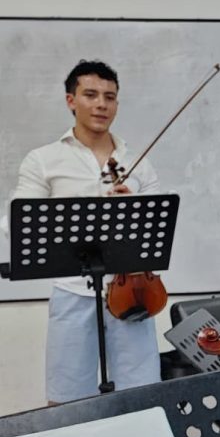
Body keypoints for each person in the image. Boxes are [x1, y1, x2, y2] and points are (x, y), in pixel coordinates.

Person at [3, 60, 160, 404]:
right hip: (73, 291)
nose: (101, 104)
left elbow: (155, 231)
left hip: (133, 290)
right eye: (90, 94)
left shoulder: (138, 163)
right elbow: (16, 222)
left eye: (110, 96)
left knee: (143, 396)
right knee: (66, 397)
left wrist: (131, 210)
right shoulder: (44, 159)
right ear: (70, 100)